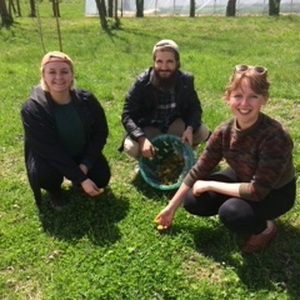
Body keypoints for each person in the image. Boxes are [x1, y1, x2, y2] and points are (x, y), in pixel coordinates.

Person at [155, 64, 296, 254]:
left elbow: (257, 191)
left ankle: (266, 228)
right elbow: (200, 169)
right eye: (238, 95)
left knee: (232, 213)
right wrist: (171, 207)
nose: (244, 103)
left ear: (264, 99)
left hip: (275, 192)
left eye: (253, 96)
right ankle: (241, 207)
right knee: (193, 200)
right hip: (242, 176)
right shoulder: (224, 131)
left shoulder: (274, 136)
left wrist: (211, 185)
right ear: (227, 97)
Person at [21, 51, 111, 211]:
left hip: (80, 152)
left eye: (64, 71)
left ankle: (78, 181)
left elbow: (100, 132)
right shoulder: (33, 108)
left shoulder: (86, 99)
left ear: (72, 74)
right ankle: (55, 192)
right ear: (43, 75)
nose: (59, 77)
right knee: (45, 175)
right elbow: (49, 149)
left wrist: (85, 164)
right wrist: (81, 178)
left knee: (101, 177)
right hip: (51, 158)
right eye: (52, 72)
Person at [119, 39, 210, 160]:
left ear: (177, 63)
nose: (164, 67)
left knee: (202, 131)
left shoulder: (186, 81)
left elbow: (194, 108)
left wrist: (189, 128)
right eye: (159, 61)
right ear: (154, 62)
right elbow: (127, 115)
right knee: (132, 147)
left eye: (169, 62)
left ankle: (184, 151)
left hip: (173, 124)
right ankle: (146, 161)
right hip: (148, 127)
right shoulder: (141, 83)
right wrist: (141, 138)